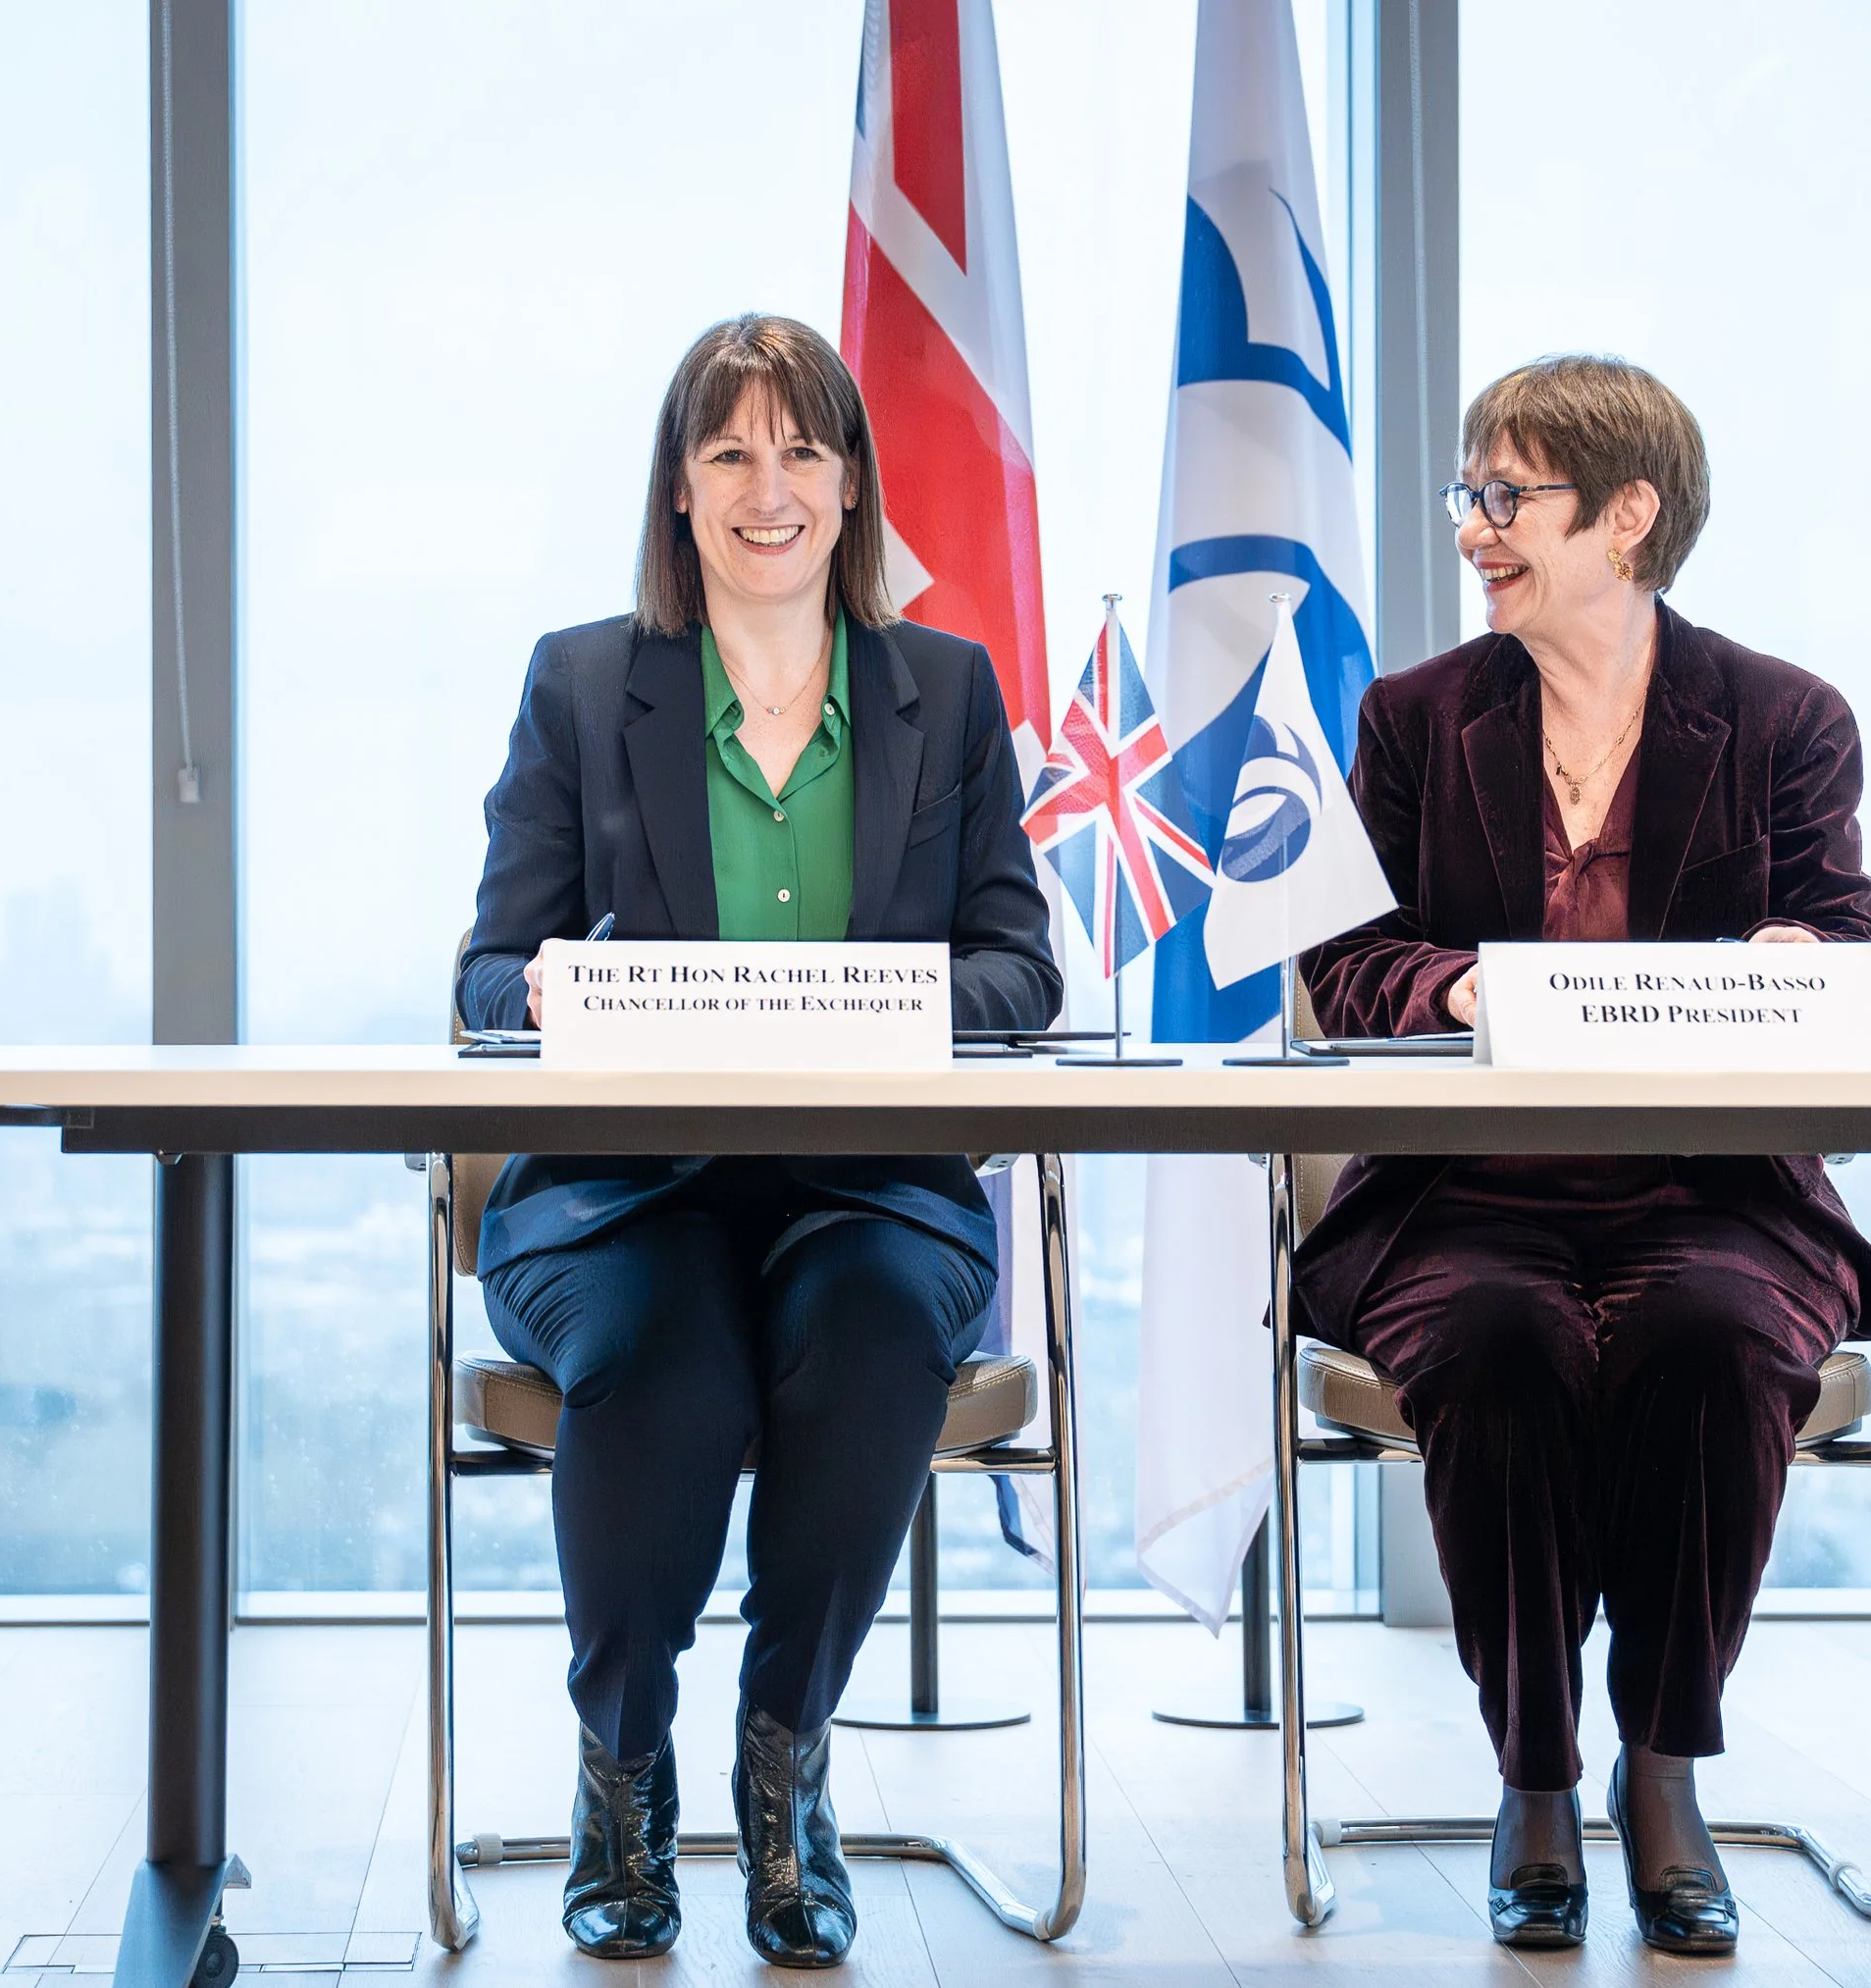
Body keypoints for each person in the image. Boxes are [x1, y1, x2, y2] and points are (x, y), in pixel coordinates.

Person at [459, 315, 1059, 1968]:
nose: (767, 485)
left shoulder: (944, 688)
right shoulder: (584, 682)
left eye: (802, 448)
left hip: (873, 1187)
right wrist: (561, 984)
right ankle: (625, 1782)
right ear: (676, 492)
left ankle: (784, 1765)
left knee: (867, 1332)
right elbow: (485, 980)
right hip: (619, 1193)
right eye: (727, 450)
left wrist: (869, 1005)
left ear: (854, 486)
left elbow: (1023, 969)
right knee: (664, 1358)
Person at [1294, 354, 1871, 1956]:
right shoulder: (1415, 718)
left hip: (1719, 1196)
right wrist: (1462, 983)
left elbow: (1855, 957)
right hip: (1462, 1199)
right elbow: (1343, 966)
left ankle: (1663, 1766)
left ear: (1627, 518)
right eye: (1468, 495)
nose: (1475, 530)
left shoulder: (1783, 720)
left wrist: (1799, 960)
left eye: (1509, 499)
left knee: (1708, 1338)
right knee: (1498, 1345)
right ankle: (1537, 1777)